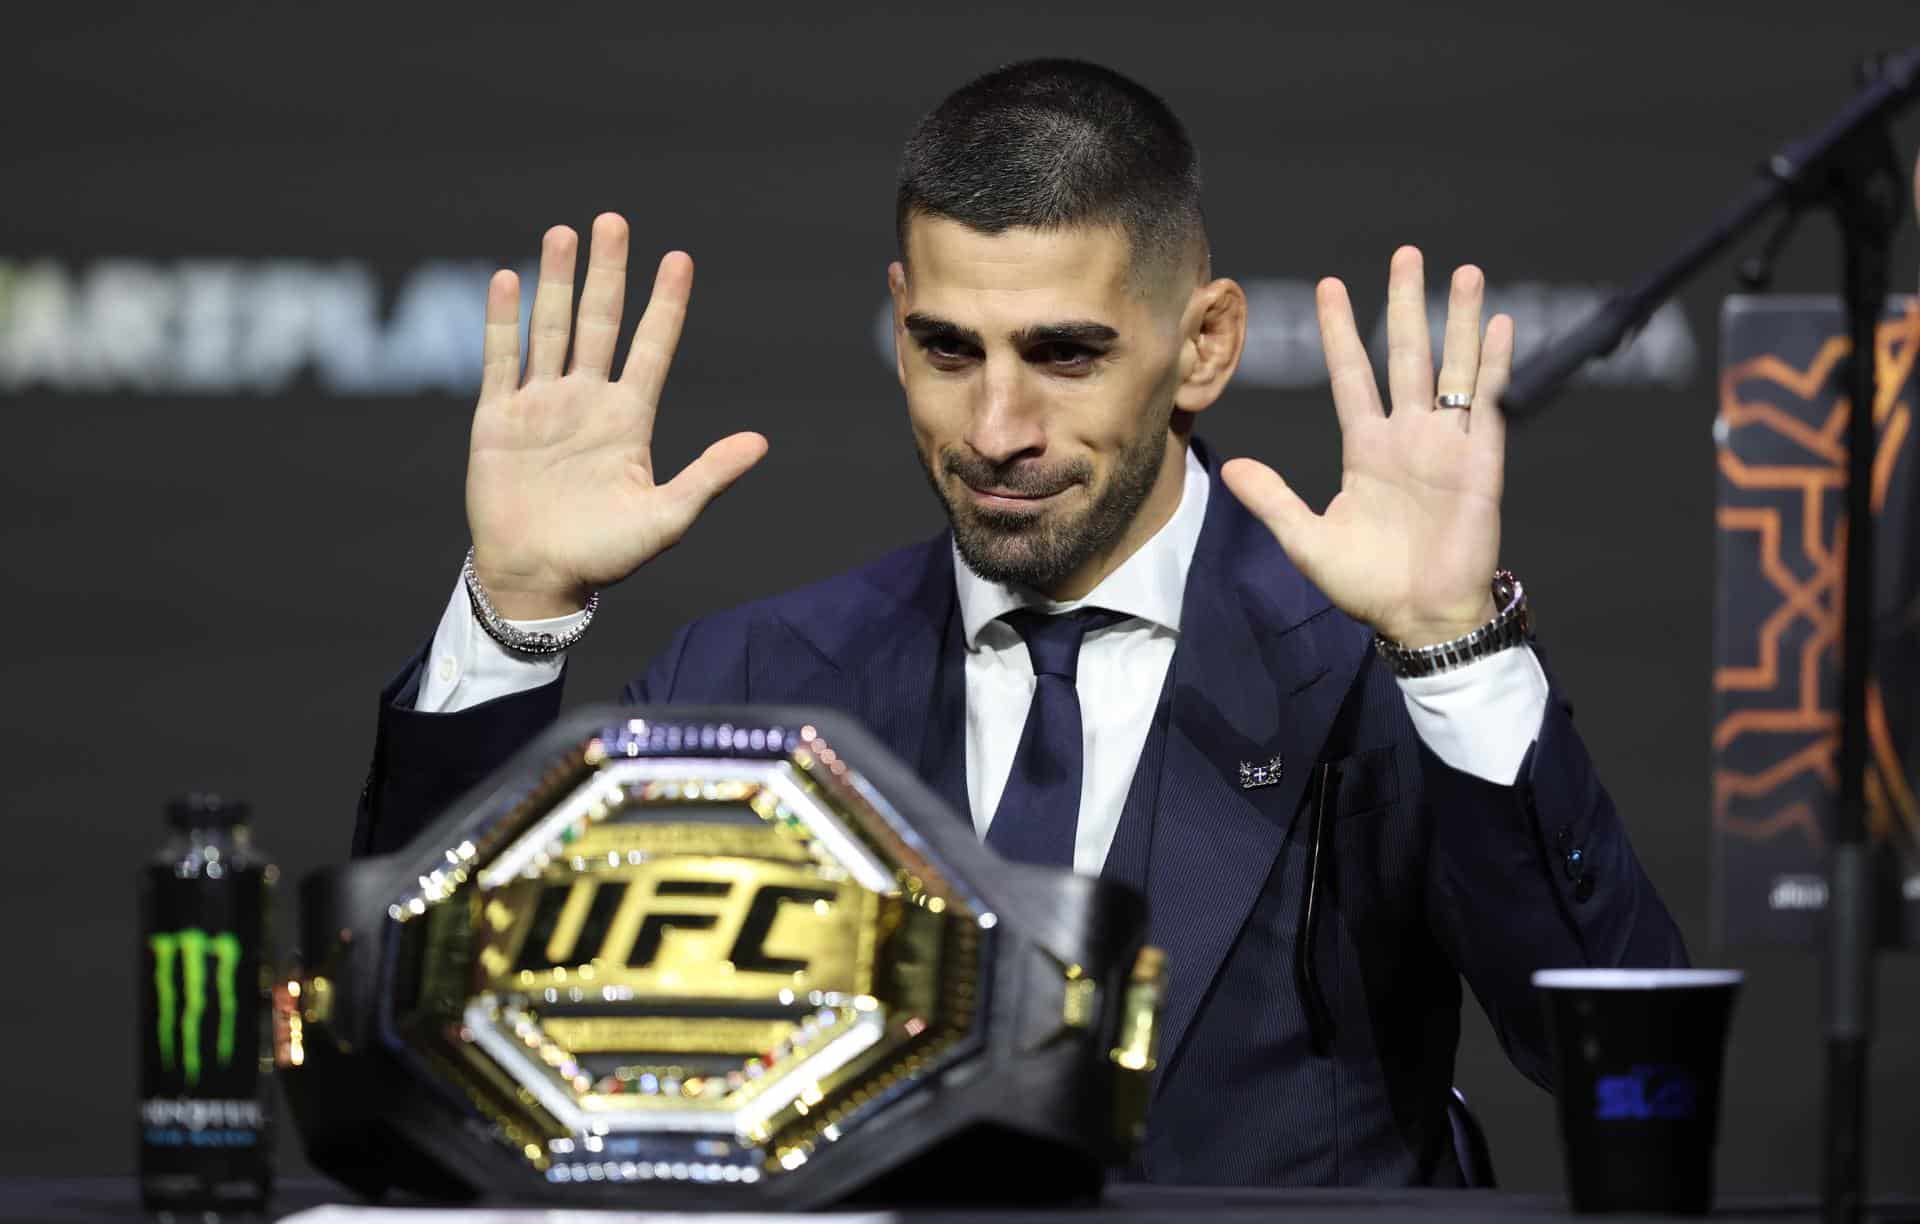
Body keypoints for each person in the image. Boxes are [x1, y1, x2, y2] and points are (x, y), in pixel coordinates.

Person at [353, 58, 1686, 1186]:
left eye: (1063, 353)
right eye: (948, 350)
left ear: (1203, 346)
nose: (997, 431)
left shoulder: (1369, 667)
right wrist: (516, 610)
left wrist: (1455, 648)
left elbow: (1630, 1073)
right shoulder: (754, 678)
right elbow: (432, 1063)